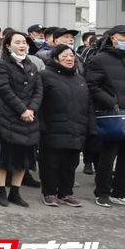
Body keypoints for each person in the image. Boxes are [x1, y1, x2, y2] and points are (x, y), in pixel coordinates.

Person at [39, 44, 95, 207]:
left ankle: (66, 192)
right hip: (52, 128)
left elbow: (88, 104)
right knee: (50, 163)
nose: (69, 59)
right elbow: (39, 103)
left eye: (71, 56)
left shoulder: (79, 78)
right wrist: (41, 126)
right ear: (55, 59)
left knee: (70, 163)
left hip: (76, 128)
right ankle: (49, 192)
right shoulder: (45, 76)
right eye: (65, 56)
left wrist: (90, 127)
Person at [0, 30, 42, 207]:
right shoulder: (3, 65)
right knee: (3, 157)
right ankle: (1, 191)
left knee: (23, 158)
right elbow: (4, 90)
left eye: (24, 43)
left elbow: (38, 90)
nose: (22, 45)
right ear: (8, 46)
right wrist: (22, 109)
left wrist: (31, 109)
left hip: (28, 118)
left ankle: (15, 191)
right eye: (18, 42)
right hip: (8, 116)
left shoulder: (32, 66)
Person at [85, 25, 125, 208]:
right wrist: (111, 102)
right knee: (107, 156)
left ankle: (120, 192)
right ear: (113, 38)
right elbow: (92, 85)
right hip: (112, 115)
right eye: (123, 36)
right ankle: (102, 192)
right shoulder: (99, 59)